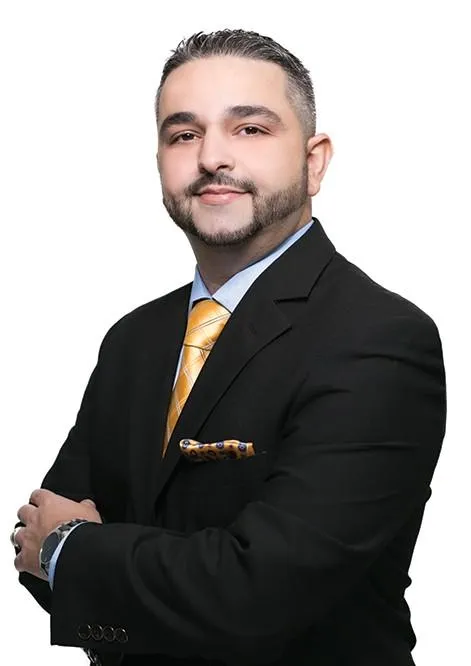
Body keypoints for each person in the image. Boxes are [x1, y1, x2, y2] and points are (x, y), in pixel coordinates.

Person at [12, 28, 446, 666]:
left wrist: (74, 550)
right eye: (184, 134)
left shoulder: (380, 338)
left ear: (315, 162)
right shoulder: (133, 339)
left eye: (250, 129)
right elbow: (36, 537)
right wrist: (73, 554)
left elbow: (259, 594)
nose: (212, 156)